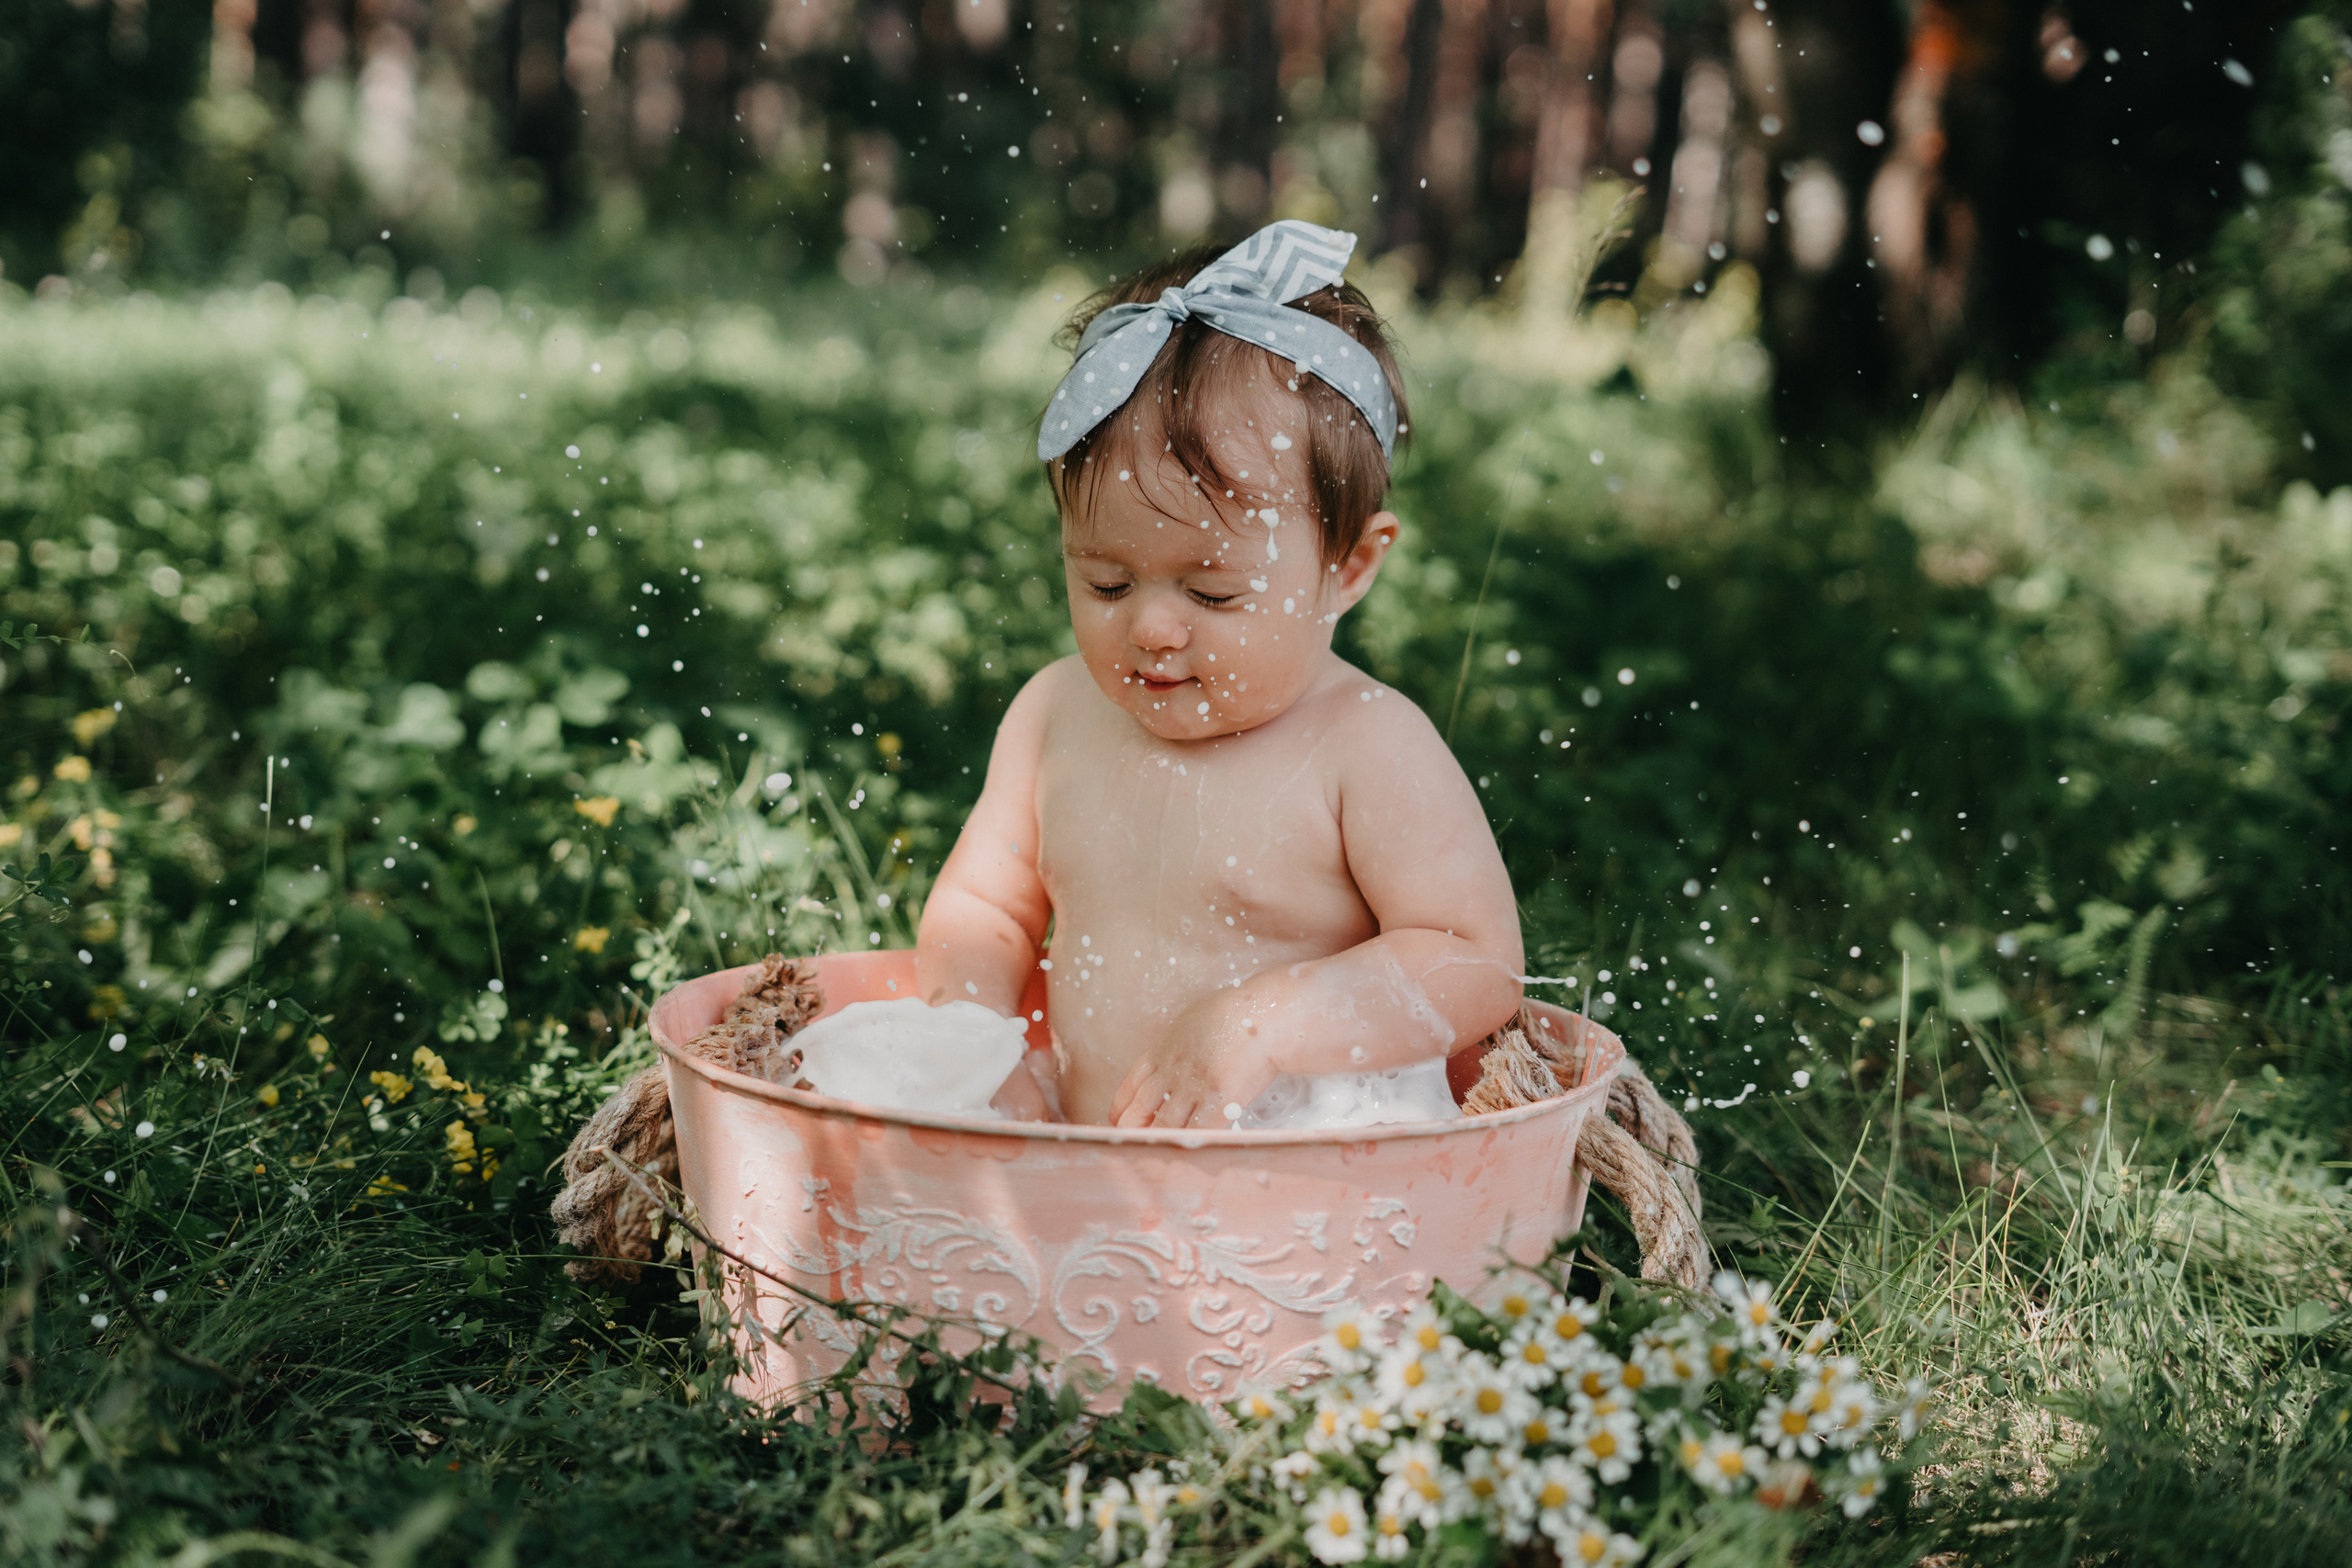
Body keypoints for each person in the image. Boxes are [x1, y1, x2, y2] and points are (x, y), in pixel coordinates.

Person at [916, 220, 1523, 1128]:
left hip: (1322, 1191)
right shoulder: (1055, 716)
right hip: (1096, 1181)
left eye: (1214, 592)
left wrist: (1268, 1025)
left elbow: (1473, 961)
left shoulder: (1366, 745)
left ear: (1349, 568)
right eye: (1106, 580)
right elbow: (982, 911)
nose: (1153, 626)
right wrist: (974, 1038)